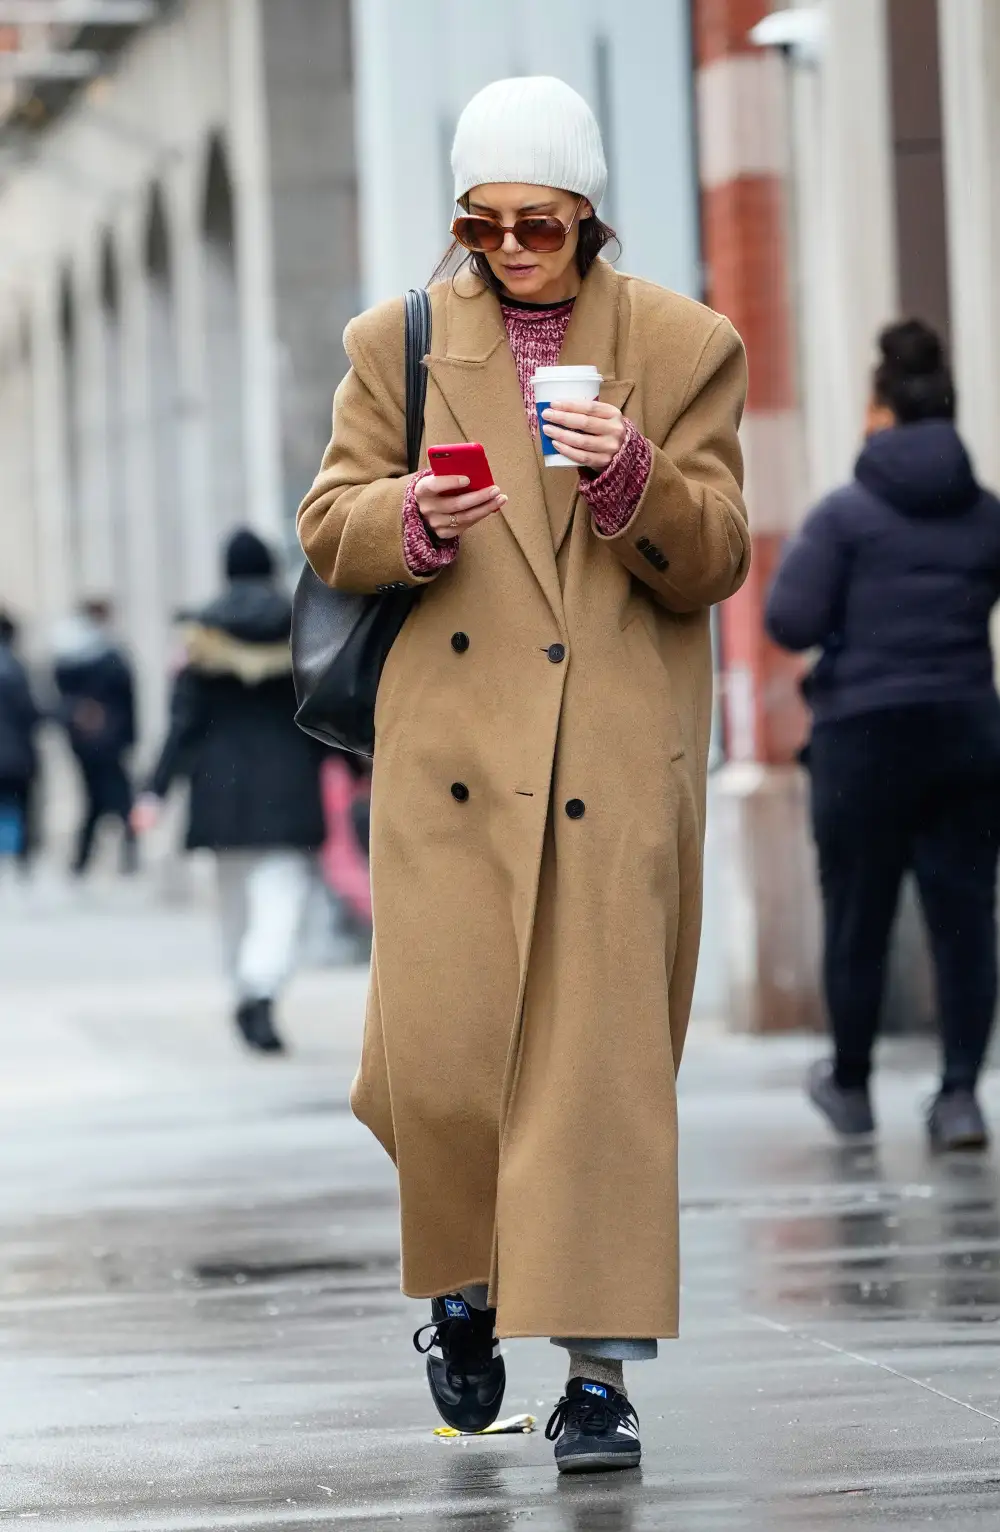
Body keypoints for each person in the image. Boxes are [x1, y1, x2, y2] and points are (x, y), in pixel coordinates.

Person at [298, 76, 749, 1473]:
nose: (509, 248)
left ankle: (600, 1379)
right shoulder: (401, 342)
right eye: (481, 223)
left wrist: (633, 486)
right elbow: (329, 522)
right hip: (450, 764)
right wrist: (408, 522)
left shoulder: (683, 345)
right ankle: (467, 1290)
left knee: (598, 1083)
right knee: (439, 1070)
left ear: (588, 214)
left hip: (612, 765)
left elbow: (722, 547)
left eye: (538, 223)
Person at [766, 319, 1000, 1153]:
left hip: (863, 739)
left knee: (859, 917)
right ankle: (962, 1097)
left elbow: (789, 619)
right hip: (967, 732)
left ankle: (853, 1086)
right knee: (966, 916)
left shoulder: (845, 518)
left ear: (879, 414)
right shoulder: (986, 516)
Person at [134, 529, 326, 1055]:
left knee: (233, 899)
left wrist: (153, 793)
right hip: (288, 783)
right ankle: (260, 988)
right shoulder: (301, 624)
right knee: (283, 894)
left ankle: (244, 986)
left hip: (218, 789)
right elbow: (324, 709)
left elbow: (183, 724)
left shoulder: (199, 637)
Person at [53, 599, 137, 876]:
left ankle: (88, 859)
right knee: (112, 799)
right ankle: (119, 855)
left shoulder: (80, 655)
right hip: (98, 741)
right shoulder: (91, 657)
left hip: (100, 740)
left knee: (103, 800)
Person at [0, 611, 41, 868]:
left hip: (13, 753)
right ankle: (16, 857)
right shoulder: (15, 668)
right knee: (19, 806)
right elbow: (31, 711)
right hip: (16, 755)